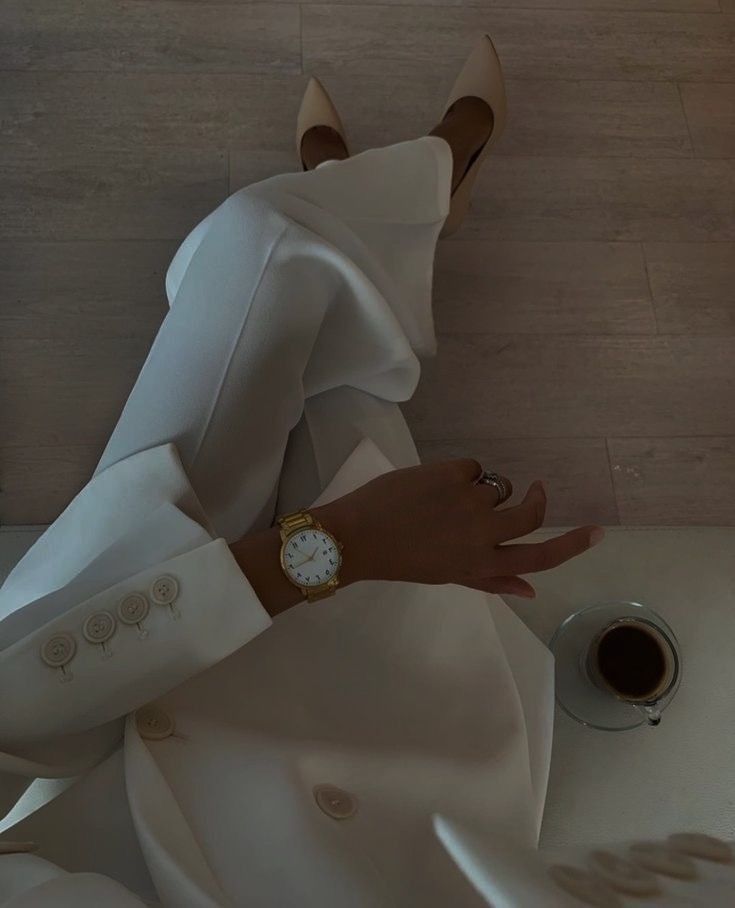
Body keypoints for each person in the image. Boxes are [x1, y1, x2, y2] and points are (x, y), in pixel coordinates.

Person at [0, 36, 607, 906]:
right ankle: (403, 193)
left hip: (90, 677)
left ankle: (390, 194)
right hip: (341, 794)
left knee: (266, 238)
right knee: (343, 405)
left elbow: (13, 722)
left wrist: (334, 545)